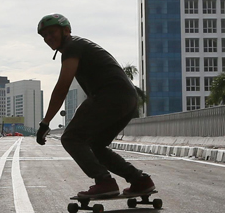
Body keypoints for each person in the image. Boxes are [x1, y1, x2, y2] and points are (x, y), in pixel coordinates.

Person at [34, 14, 155, 200]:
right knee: (96, 145)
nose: (48, 38)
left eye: (52, 33)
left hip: (110, 96)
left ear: (66, 30)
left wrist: (45, 122)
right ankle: (139, 180)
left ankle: (104, 182)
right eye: (44, 36)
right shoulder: (78, 46)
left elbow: (62, 86)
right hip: (127, 99)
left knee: (71, 138)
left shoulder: (72, 47)